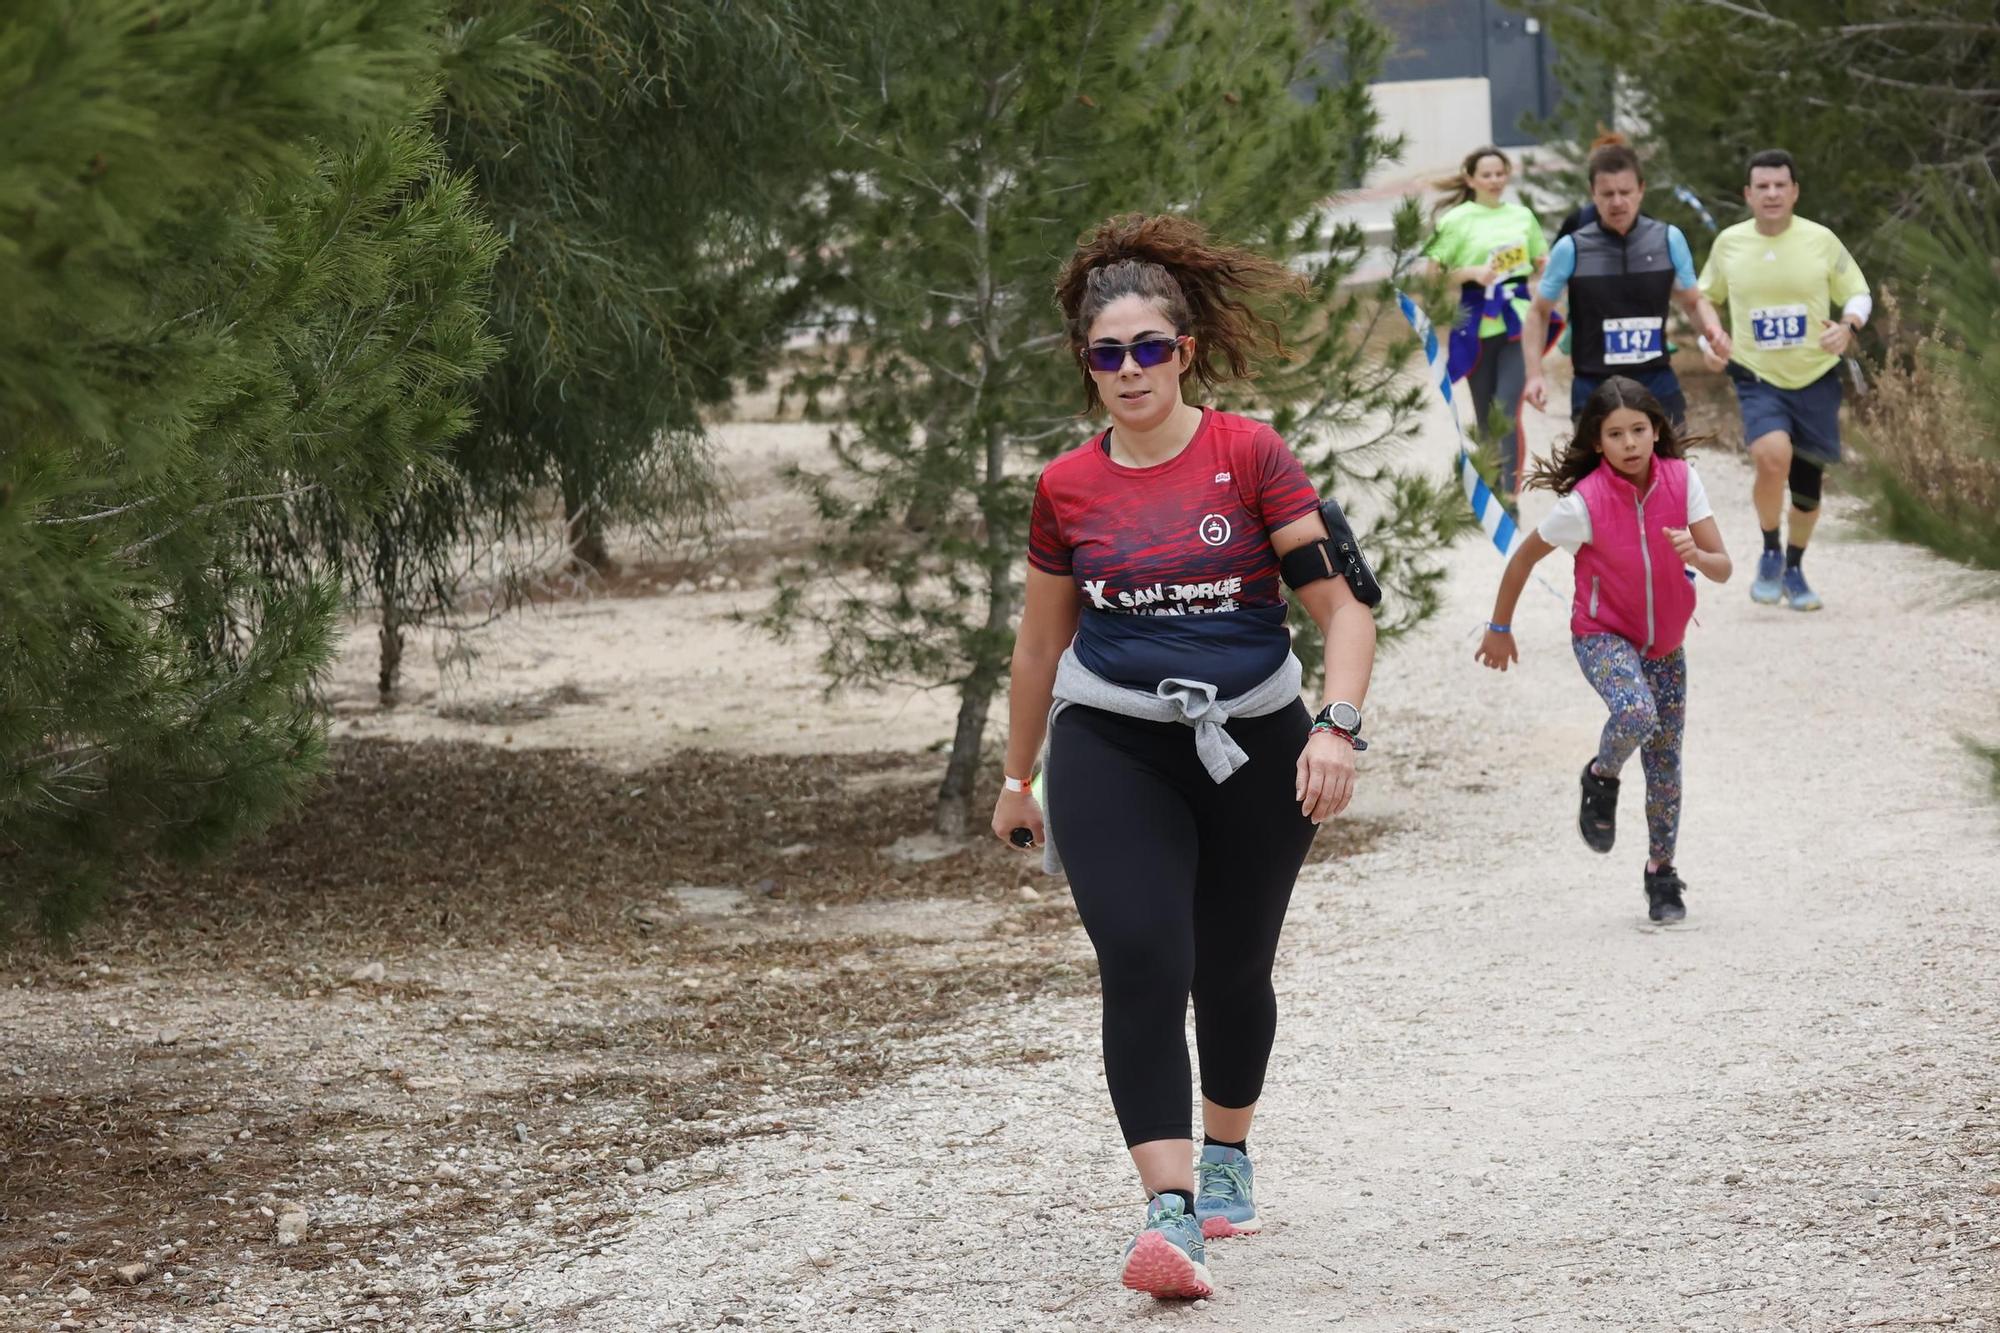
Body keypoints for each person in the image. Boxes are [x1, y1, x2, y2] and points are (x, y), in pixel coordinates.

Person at [989, 213, 1378, 1301]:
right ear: (1084, 364)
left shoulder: (1248, 455)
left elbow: (1343, 611)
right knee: (1145, 956)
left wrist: (1334, 728)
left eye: (1147, 348)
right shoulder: (1065, 487)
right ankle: (1167, 1212)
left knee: (1230, 968)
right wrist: (1017, 778)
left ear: (1183, 351)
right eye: (1106, 353)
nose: (1128, 370)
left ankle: (1226, 1151)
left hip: (1255, 739)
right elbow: (1037, 644)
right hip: (1111, 741)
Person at [1475, 377, 1733, 923]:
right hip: (1602, 635)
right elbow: (1522, 560)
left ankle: (1662, 875)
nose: (1631, 443)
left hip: (1665, 645)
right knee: (1637, 712)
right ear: (1598, 442)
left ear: (1655, 429)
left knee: (1666, 765)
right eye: (1616, 434)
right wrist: (1500, 626)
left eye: (1639, 430)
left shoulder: (1684, 481)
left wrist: (1699, 555)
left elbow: (1723, 566)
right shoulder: (1583, 503)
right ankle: (1602, 775)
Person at [1697, 148, 1870, 611]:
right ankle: (1770, 548)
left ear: (1794, 192)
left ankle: (1794, 565)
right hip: (1757, 375)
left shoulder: (1821, 240)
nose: (1772, 194)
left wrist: (1848, 326)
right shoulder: (1729, 244)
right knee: (1771, 455)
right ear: (1748, 195)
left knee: (1809, 490)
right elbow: (1703, 298)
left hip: (1815, 376)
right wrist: (1709, 342)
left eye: (1780, 186)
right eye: (1762, 187)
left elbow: (1857, 291)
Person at [1521, 139, 1731, 428]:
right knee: (1599, 475)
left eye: (1625, 192)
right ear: (1593, 194)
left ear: (1641, 190)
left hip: (1655, 381)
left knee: (1670, 473)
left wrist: (1713, 333)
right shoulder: (1572, 248)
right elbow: (1538, 312)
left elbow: (1693, 301)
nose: (1617, 202)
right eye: (1607, 193)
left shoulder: (1668, 239)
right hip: (1593, 384)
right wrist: (1534, 374)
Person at [1422, 145, 1552, 497]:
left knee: (1505, 409)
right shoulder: (1456, 220)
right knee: (1484, 414)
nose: (1495, 180)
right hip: (1475, 322)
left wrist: (1546, 266)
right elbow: (1432, 276)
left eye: (1500, 173)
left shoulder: (1523, 216)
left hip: (1518, 321)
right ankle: (1491, 484)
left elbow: (1543, 259)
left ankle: (1509, 495)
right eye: (1487, 175)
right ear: (1471, 179)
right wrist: (1472, 272)